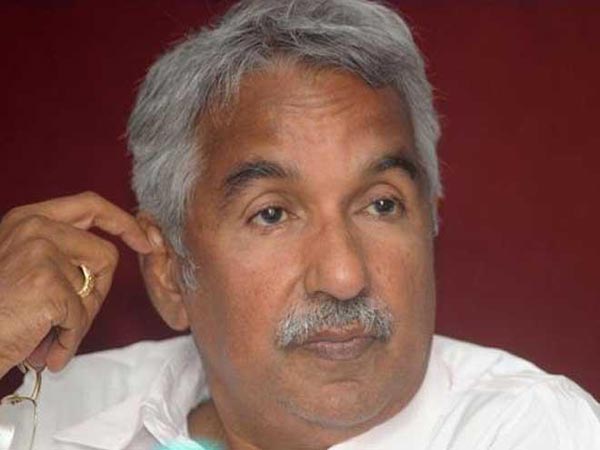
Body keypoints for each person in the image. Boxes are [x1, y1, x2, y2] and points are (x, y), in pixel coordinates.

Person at [0, 0, 598, 449]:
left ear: (430, 225)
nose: (343, 276)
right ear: (169, 273)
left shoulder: (530, 429)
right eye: (273, 214)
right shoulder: (50, 413)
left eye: (381, 205)